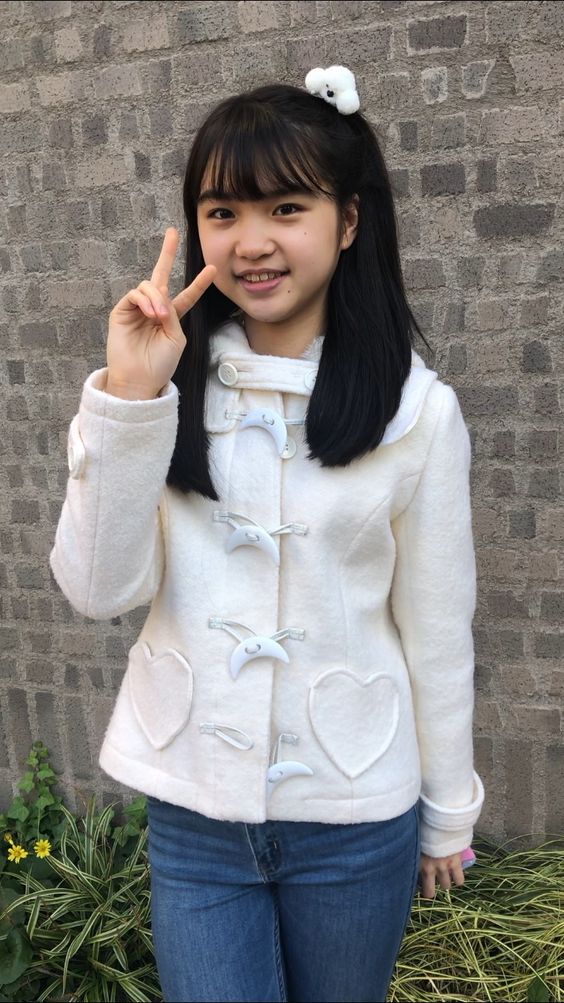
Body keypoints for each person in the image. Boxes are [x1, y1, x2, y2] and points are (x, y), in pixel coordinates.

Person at [50, 64, 484, 1003]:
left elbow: (438, 629)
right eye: (222, 213)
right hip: (195, 811)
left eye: (287, 208)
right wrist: (130, 400)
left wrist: (449, 810)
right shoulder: (159, 386)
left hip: (355, 806)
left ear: (349, 220)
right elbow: (97, 588)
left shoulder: (417, 413)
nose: (251, 242)